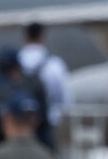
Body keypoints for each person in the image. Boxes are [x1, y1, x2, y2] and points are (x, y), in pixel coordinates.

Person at [17, 21, 71, 150]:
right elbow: (66, 100)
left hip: (17, 127)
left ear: (25, 37)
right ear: (43, 37)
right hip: (47, 127)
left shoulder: (15, 65)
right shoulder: (55, 65)